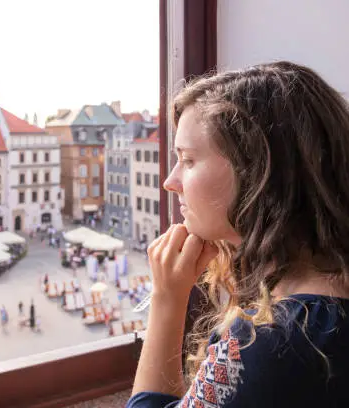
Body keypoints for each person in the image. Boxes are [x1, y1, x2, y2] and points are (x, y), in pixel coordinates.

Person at [128, 62, 349, 408]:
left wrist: (167, 301)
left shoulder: (270, 343)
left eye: (186, 160)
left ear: (257, 170)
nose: (170, 182)